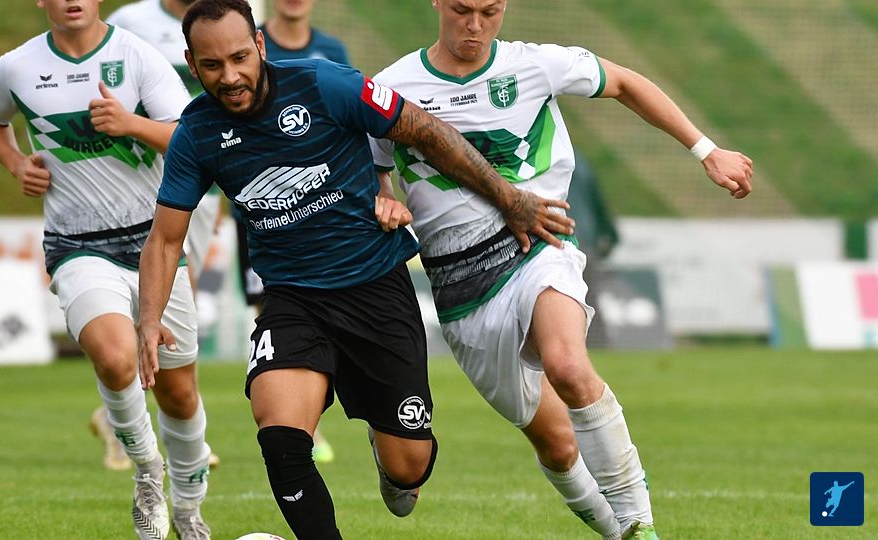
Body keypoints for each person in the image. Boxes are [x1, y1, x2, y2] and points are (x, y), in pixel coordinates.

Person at [136, 1, 574, 538]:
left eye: (239, 58)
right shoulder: (196, 132)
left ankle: (389, 449)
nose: (229, 77)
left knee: (408, 467)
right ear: (191, 63)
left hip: (375, 288)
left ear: (260, 46)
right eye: (211, 65)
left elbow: (427, 133)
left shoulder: (325, 84)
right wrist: (149, 319)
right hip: (293, 299)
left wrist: (507, 198)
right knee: (279, 433)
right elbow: (165, 239)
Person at [370, 1, 753, 538]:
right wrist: (385, 195)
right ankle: (618, 531)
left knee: (569, 368)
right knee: (557, 445)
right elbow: (374, 167)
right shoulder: (393, 86)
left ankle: (640, 527)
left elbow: (625, 82)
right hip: (460, 287)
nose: (475, 25)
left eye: (490, 10)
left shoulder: (536, 64)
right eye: (462, 9)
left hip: (541, 245)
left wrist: (706, 150)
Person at [0, 1, 213, 538]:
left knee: (179, 393)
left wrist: (130, 124)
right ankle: (147, 470)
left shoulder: (137, 55)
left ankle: (190, 508)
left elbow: (191, 138)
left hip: (153, 245)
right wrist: (16, 163)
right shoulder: (17, 66)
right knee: (115, 357)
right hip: (76, 244)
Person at [89, 0, 222, 474]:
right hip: (147, 191)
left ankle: (130, 418)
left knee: (174, 313)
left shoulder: (227, 18)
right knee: (140, 312)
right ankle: (127, 423)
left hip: (208, 186)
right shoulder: (131, 23)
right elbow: (99, 108)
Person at [231, 0, 352, 463]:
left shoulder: (331, 51)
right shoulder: (246, 46)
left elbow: (352, 125)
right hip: (262, 214)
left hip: (322, 214)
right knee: (271, 308)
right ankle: (300, 421)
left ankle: (311, 411)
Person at [565, 150, 619, 349]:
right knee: (588, 300)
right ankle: (598, 348)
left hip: (553, 237)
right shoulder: (581, 162)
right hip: (583, 239)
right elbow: (597, 202)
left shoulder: (537, 153)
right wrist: (610, 235)